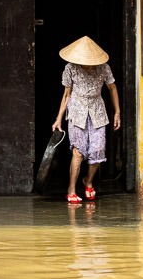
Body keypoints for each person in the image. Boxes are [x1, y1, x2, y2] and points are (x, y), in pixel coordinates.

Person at [50, 35, 120, 204]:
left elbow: (112, 88)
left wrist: (117, 112)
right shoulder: (70, 68)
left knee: (97, 151)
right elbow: (66, 95)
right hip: (77, 111)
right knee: (78, 151)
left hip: (97, 111)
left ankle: (88, 181)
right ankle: (71, 189)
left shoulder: (103, 67)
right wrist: (58, 119)